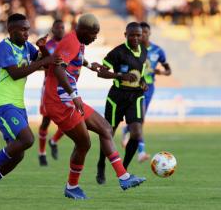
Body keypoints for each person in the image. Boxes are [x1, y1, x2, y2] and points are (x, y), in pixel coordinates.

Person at [42, 14, 146, 200]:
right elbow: (58, 69)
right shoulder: (71, 42)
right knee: (84, 143)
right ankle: (72, 187)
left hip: (68, 99)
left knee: (105, 128)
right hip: (59, 101)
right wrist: (74, 96)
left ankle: (124, 177)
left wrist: (90, 65)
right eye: (93, 34)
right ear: (83, 30)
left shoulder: (78, 40)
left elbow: (76, 58)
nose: (95, 38)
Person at [0, 13, 59, 200]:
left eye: (28, 29)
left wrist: (43, 49)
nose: (27, 33)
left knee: (17, 155)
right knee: (27, 139)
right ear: (11, 30)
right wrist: (43, 60)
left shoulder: (28, 47)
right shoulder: (4, 47)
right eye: (23, 29)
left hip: (18, 105)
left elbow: (46, 64)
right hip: (2, 103)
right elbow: (15, 73)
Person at [95, 22, 148, 185]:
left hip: (136, 97)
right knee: (108, 134)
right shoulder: (117, 52)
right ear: (125, 35)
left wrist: (143, 82)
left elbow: (141, 74)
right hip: (117, 98)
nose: (136, 38)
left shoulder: (144, 51)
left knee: (137, 133)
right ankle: (101, 164)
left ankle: (123, 170)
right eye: (132, 35)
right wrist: (120, 76)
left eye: (138, 35)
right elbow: (101, 73)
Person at [121, 22, 172, 163]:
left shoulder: (157, 51)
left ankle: (126, 130)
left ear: (149, 33)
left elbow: (169, 70)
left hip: (149, 87)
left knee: (140, 119)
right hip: (136, 87)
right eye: (140, 33)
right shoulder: (133, 49)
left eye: (144, 33)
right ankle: (141, 151)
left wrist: (161, 71)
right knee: (140, 118)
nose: (142, 35)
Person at [38, 19, 65, 166]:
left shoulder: (68, 44)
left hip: (65, 87)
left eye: (63, 27)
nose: (60, 30)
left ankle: (53, 141)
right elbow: (39, 63)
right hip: (49, 87)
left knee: (70, 120)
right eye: (58, 28)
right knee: (46, 121)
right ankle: (42, 153)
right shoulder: (47, 46)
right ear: (52, 30)